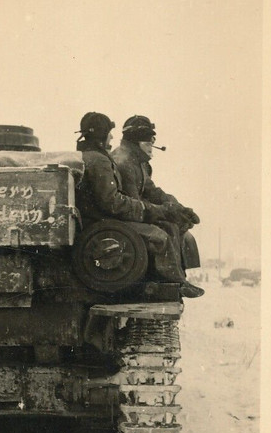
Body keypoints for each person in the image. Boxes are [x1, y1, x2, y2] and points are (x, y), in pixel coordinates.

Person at [75, 112, 203, 298]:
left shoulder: (114, 159)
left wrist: (176, 208)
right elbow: (114, 203)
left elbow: (151, 191)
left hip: (108, 219)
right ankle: (167, 286)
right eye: (108, 132)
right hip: (104, 221)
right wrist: (160, 211)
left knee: (169, 226)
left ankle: (176, 282)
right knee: (159, 236)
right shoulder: (114, 161)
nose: (112, 137)